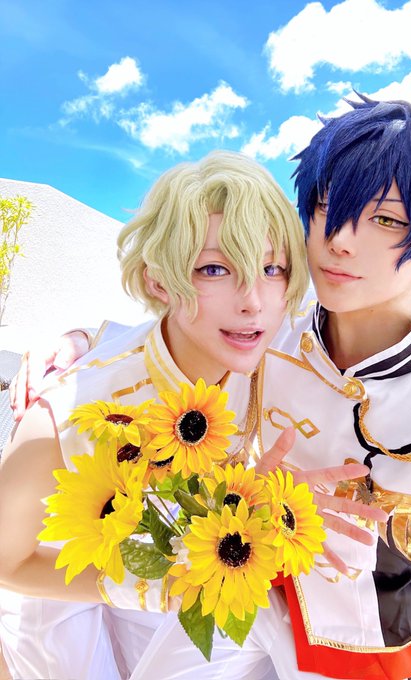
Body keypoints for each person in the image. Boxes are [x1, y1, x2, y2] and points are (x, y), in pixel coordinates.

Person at [9, 94, 411, 679]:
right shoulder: (266, 329)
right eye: (326, 206)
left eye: (386, 220)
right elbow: (165, 337)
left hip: (364, 650)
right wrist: (79, 341)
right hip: (230, 601)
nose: (339, 238)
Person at [0, 150, 384, 680]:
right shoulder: (64, 418)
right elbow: (7, 563)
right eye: (214, 269)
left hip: (196, 584)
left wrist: (268, 504)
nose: (253, 301)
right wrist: (154, 586)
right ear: (159, 281)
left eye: (272, 268)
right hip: (71, 597)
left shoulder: (274, 339)